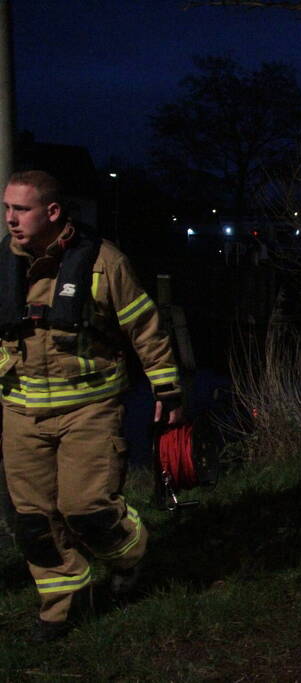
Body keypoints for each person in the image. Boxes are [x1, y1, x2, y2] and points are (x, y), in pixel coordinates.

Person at [0, 170, 182, 642]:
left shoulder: (104, 263)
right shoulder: (4, 264)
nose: (10, 219)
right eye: (7, 209)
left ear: (53, 212)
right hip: (19, 413)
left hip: (90, 409)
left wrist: (167, 392)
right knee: (32, 520)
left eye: (21, 210)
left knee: (86, 508)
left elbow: (146, 329)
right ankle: (61, 605)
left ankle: (132, 554)